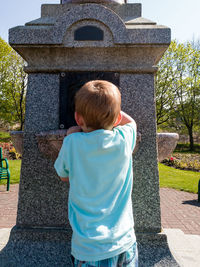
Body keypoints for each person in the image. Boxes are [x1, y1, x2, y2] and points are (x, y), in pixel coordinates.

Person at [54, 80, 138, 267]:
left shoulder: (72, 142)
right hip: (124, 243)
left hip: (88, 248)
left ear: (77, 118)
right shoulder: (124, 139)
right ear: (116, 119)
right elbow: (131, 122)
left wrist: (71, 133)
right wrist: (111, 112)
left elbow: (63, 175)